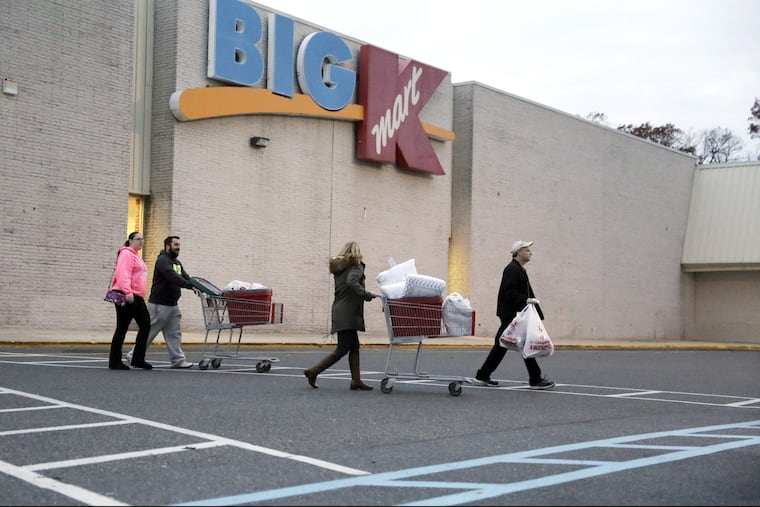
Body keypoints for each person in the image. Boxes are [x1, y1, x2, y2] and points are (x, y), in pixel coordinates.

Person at [473, 240, 555, 389]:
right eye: (527, 250)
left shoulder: (519, 269)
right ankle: (535, 379)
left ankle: (483, 375)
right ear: (518, 252)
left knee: (511, 343)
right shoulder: (512, 269)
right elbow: (508, 291)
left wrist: (534, 309)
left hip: (516, 313)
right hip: (512, 314)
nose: (530, 253)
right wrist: (525, 300)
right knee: (509, 343)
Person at [304, 241, 379, 390]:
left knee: (354, 347)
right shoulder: (356, 266)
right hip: (348, 312)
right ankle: (314, 371)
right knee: (343, 348)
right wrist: (366, 294)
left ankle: (356, 381)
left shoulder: (339, 268)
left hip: (340, 309)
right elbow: (352, 281)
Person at [126, 235, 194, 369]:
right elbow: (172, 277)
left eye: (179, 245)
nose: (178, 247)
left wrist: (195, 285)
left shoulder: (176, 263)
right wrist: (187, 285)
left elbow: (185, 277)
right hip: (160, 304)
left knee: (174, 333)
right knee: (150, 331)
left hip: (172, 305)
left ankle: (178, 360)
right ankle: (134, 355)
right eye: (175, 245)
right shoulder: (163, 260)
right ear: (168, 246)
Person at [108, 232, 153, 370]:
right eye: (138, 239)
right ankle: (114, 361)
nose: (142, 241)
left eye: (142, 239)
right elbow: (123, 273)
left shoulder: (135, 255)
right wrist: (127, 292)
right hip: (126, 294)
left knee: (145, 325)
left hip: (137, 296)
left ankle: (138, 359)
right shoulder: (126, 254)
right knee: (122, 328)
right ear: (130, 240)